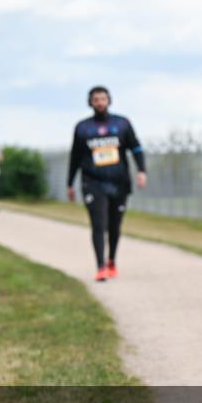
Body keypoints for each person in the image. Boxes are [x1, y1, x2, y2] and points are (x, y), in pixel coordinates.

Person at [67, 85, 147, 282]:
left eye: (103, 99)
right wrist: (70, 183)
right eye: (96, 99)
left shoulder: (122, 124)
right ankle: (100, 266)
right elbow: (75, 157)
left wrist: (141, 170)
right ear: (90, 102)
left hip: (119, 182)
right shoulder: (83, 128)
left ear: (109, 100)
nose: (100, 102)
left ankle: (111, 260)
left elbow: (136, 148)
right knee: (98, 224)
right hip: (92, 182)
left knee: (114, 225)